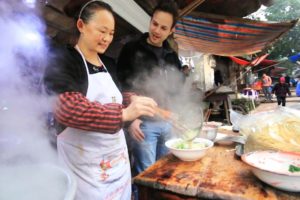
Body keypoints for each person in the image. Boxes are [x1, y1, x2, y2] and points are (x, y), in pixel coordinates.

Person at [43, 1, 158, 199]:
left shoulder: (109, 64)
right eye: (102, 31)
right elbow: (66, 108)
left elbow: (117, 98)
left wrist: (133, 101)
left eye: (111, 33)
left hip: (117, 165)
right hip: (86, 171)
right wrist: (124, 113)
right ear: (81, 26)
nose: (107, 39)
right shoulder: (64, 60)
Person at [117, 0, 182, 175]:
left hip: (168, 124)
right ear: (150, 20)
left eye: (163, 28)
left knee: (165, 173)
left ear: (171, 30)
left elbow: (177, 90)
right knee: (145, 175)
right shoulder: (131, 49)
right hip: (143, 124)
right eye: (155, 24)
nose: (156, 31)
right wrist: (131, 119)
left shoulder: (172, 56)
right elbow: (120, 84)